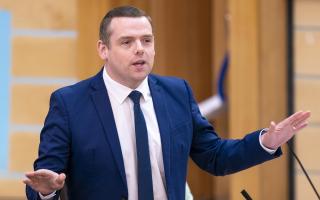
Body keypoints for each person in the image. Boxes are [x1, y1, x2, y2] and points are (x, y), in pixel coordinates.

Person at [23, 6, 310, 200]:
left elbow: (214, 156)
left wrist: (266, 142)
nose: (140, 49)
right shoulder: (69, 103)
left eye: (146, 40)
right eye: (127, 42)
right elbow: (44, 180)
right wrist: (48, 191)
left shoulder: (176, 93)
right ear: (103, 49)